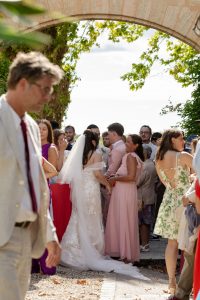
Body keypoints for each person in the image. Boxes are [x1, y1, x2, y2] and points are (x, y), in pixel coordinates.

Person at [0, 51, 63, 300]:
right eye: (45, 89)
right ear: (23, 83)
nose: (49, 96)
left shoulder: (33, 129)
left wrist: (50, 235)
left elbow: (37, 186)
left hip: (26, 238)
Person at [58, 130, 147, 280]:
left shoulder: (79, 155)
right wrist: (108, 185)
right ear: (93, 141)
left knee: (78, 217)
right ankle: (90, 251)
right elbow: (97, 175)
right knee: (92, 219)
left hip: (79, 190)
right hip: (91, 190)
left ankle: (71, 252)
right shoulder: (96, 152)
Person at [154, 129, 193, 296]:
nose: (183, 141)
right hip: (186, 201)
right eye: (181, 138)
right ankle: (187, 286)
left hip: (169, 201)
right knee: (190, 244)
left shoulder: (159, 158)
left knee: (172, 243)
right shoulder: (182, 156)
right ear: (172, 140)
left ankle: (171, 282)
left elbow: (164, 182)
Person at [105, 134, 144, 263]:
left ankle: (124, 252)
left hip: (124, 191)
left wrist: (115, 178)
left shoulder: (130, 156)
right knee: (124, 218)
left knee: (123, 218)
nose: (125, 144)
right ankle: (123, 250)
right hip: (126, 190)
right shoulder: (134, 157)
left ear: (136, 145)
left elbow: (131, 177)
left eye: (128, 142)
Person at [137, 145, 157, 252]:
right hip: (150, 195)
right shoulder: (153, 164)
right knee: (146, 221)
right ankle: (145, 244)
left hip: (143, 197)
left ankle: (144, 244)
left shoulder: (145, 166)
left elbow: (137, 182)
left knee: (143, 222)